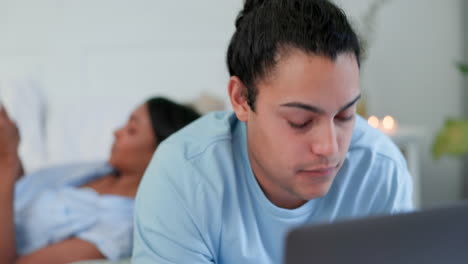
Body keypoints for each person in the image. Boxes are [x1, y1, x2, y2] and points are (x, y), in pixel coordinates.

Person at [132, 0, 413, 263]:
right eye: (300, 121)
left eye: (345, 115)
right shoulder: (184, 176)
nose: (329, 147)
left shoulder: (379, 169)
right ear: (241, 98)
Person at [0, 97, 200, 264]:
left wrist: (8, 161)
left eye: (131, 130)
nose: (116, 131)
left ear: (158, 155)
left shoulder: (121, 226)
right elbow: (21, 192)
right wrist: (9, 146)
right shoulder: (100, 169)